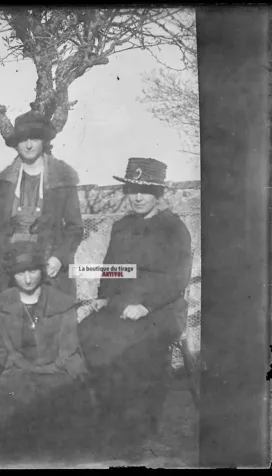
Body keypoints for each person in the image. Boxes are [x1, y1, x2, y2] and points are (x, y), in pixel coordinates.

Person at [78, 158, 193, 454]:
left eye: (146, 190)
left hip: (162, 308)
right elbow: (113, 269)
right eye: (132, 189)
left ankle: (138, 427)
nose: (138, 197)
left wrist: (146, 305)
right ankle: (104, 416)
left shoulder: (174, 228)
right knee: (86, 333)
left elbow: (177, 278)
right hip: (121, 304)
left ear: (159, 193)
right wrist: (103, 296)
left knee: (130, 346)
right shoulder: (121, 227)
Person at [0, 241, 97, 465]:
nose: (27, 279)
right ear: (12, 275)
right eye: (21, 273)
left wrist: (80, 377)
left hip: (56, 370)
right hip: (16, 370)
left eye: (33, 271)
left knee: (65, 401)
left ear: (41, 271)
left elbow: (69, 348)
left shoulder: (62, 304)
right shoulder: (2, 306)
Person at [0, 111, 83, 304]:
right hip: (12, 266)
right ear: (16, 144)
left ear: (43, 141)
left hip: (49, 263)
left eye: (34, 139)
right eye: (22, 140)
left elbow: (74, 228)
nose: (28, 145)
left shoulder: (62, 177)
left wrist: (59, 258)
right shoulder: (7, 180)